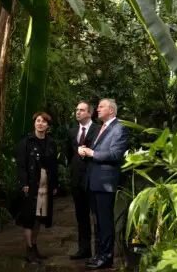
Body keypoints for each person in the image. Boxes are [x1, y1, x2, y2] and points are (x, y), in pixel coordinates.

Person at [78, 99, 128, 270]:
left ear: (111, 110)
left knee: (105, 222)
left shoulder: (119, 129)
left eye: (101, 107)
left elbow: (115, 154)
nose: (97, 110)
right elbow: (98, 152)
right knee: (98, 222)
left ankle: (106, 258)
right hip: (94, 182)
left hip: (105, 183)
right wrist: (86, 151)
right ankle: (99, 255)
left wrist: (92, 152)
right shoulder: (103, 128)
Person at [16, 112, 58, 264]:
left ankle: (34, 246)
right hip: (31, 183)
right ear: (34, 123)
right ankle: (28, 250)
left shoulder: (51, 142)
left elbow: (54, 165)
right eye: (38, 121)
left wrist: (55, 184)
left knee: (39, 217)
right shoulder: (26, 141)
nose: (40, 124)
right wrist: (24, 184)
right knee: (29, 218)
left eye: (44, 122)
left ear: (48, 125)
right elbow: (21, 165)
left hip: (45, 183)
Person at [67, 101, 100, 260]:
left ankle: (99, 252)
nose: (78, 112)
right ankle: (84, 250)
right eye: (77, 109)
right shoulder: (72, 132)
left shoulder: (99, 130)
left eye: (81, 110)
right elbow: (68, 155)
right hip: (76, 181)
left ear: (90, 113)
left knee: (96, 217)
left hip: (93, 179)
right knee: (81, 216)